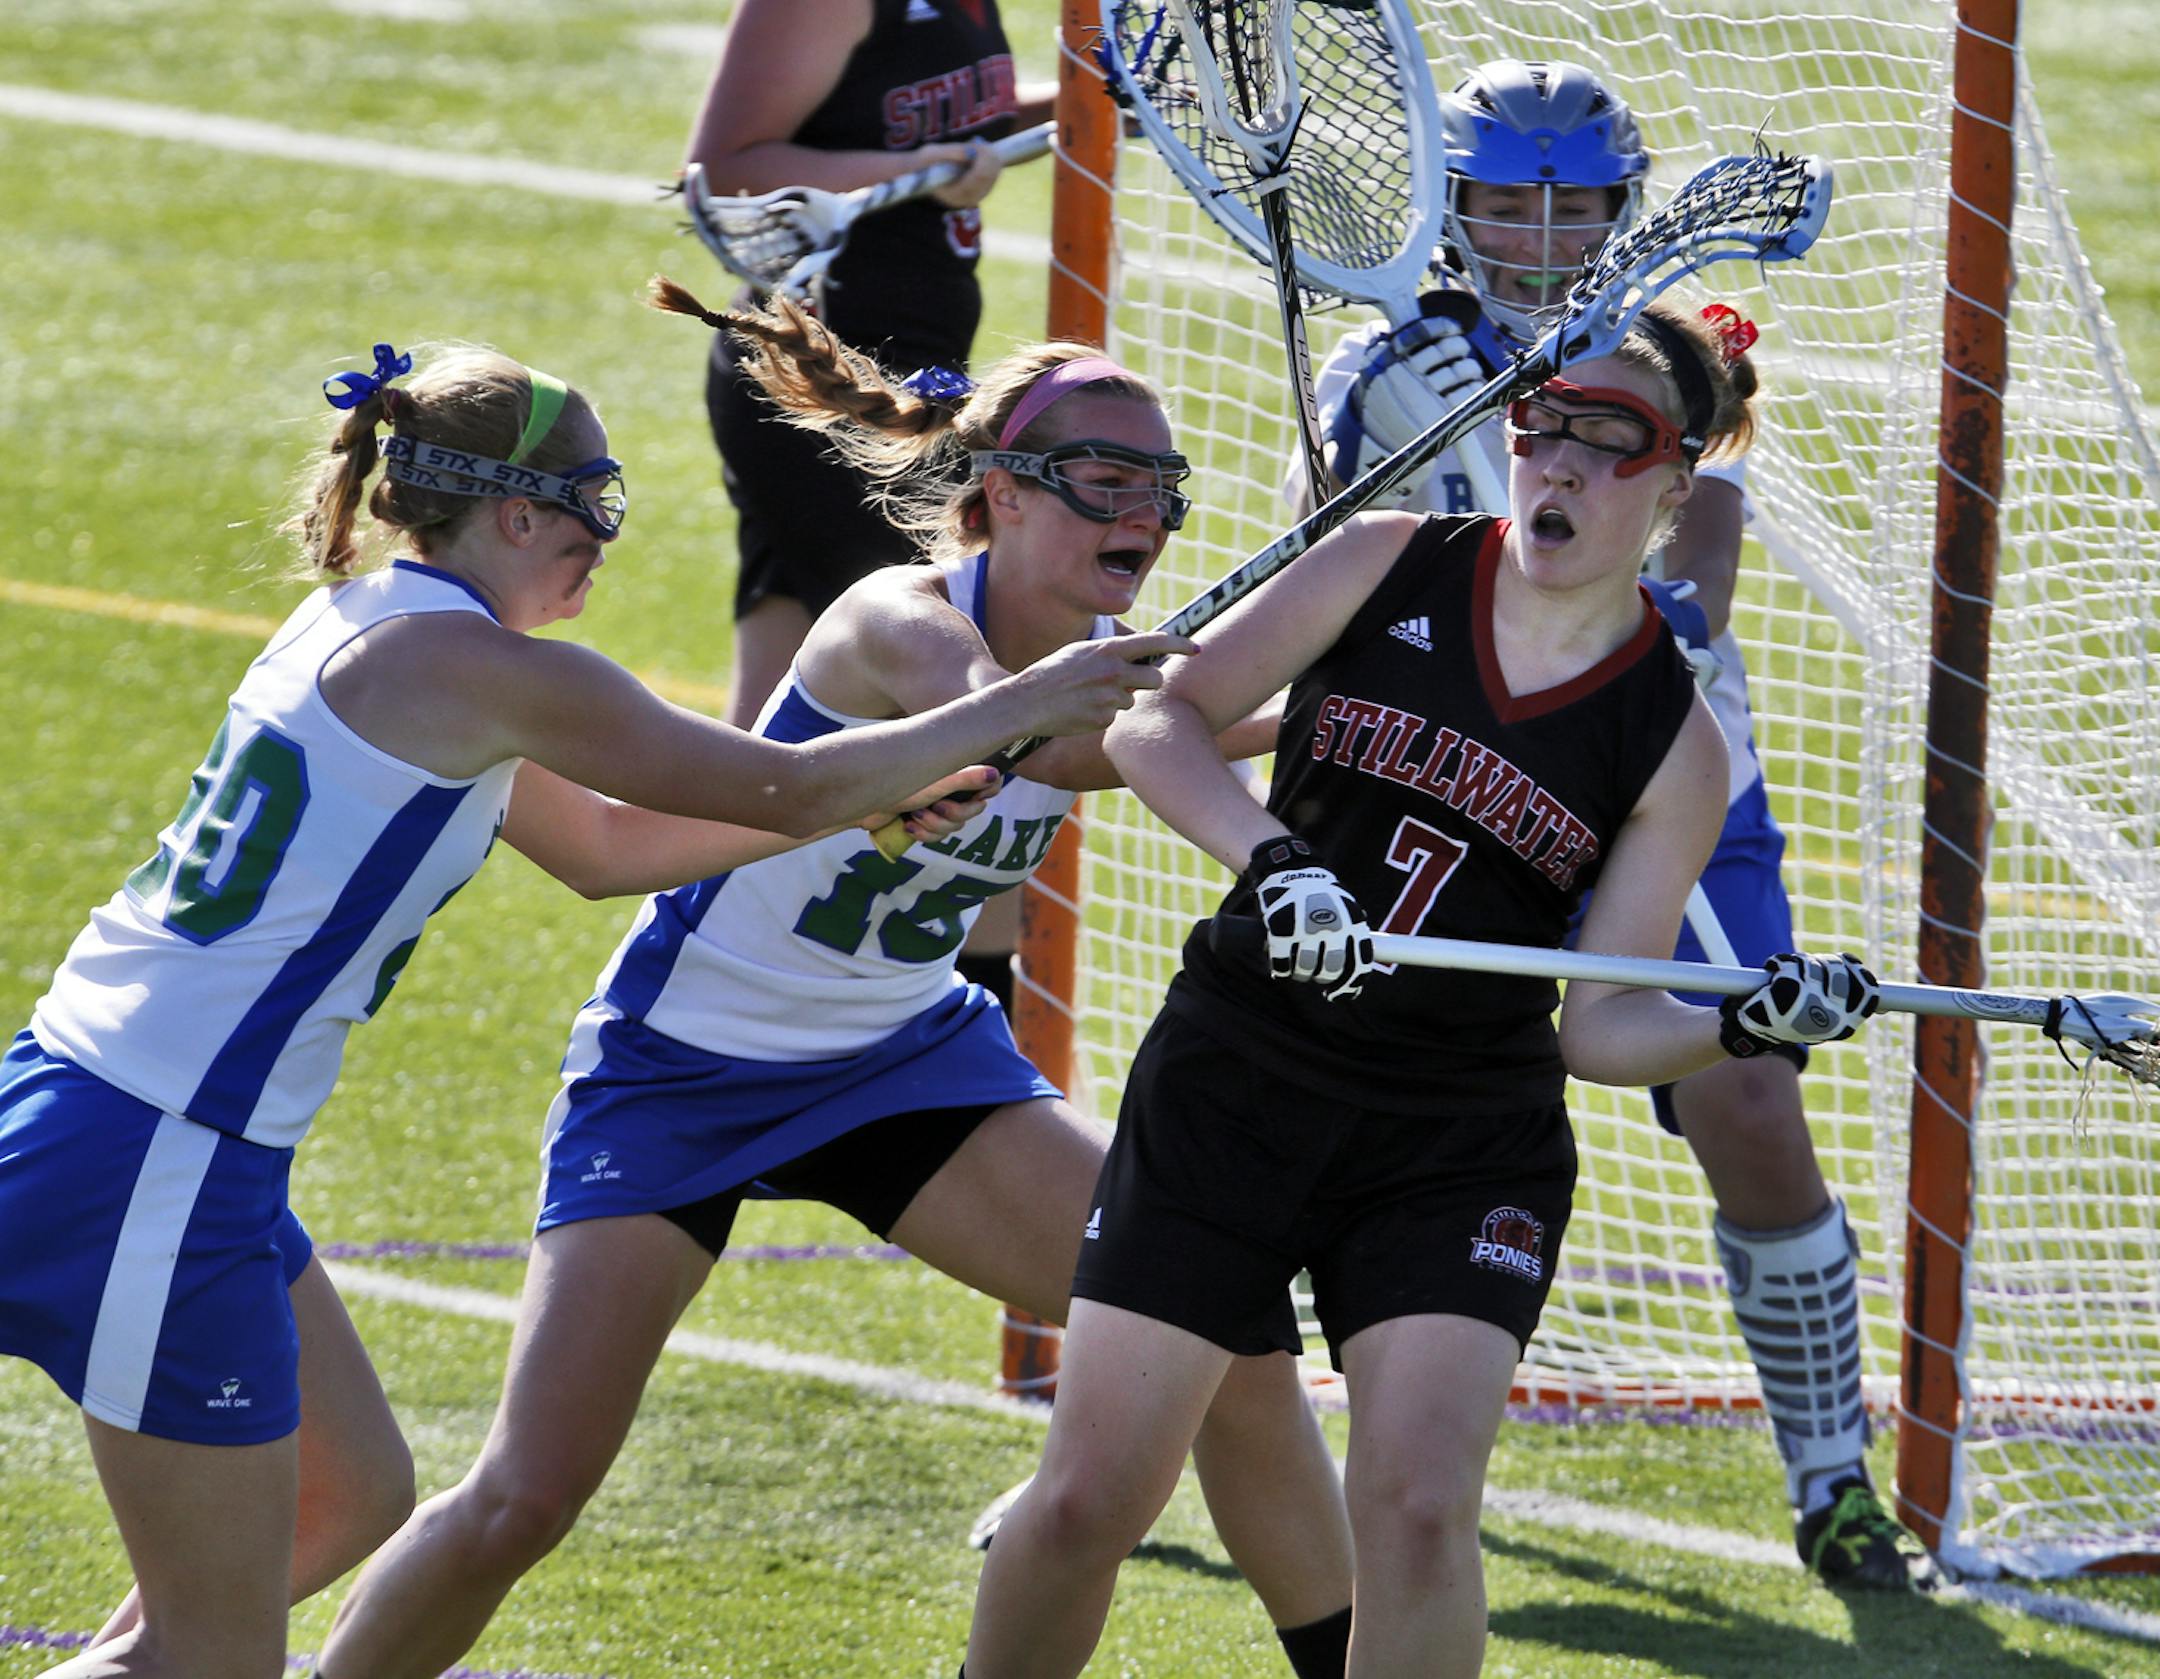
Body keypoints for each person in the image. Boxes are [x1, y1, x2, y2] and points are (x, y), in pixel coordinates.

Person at [0, 338, 1174, 1679]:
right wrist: (1013, 708)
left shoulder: (375, 625)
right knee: (214, 1655)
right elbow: (781, 789)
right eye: (594, 505)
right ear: (514, 511)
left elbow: (606, 844)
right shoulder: (500, 676)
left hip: (110, 1106)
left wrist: (879, 786)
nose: (604, 544)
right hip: (162, 1146)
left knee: (356, 1496)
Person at [305, 291, 1357, 1679]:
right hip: (683, 1069)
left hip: (904, 1061)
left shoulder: (1097, 667)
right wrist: (1312, 704)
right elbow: (1043, 736)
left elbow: (1121, 724)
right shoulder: (899, 620)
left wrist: (1315, 702)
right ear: (998, 495)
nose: (1145, 513)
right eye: (1106, 480)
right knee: (527, 1492)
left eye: (1160, 486)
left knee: (1224, 1324)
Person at [962, 300, 1889, 1678]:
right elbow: (1161, 717)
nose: (1560, 464)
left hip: (1458, 1136)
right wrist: (1275, 860)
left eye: (1608, 441)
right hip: (1243, 1071)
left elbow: (1600, 1026)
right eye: (1542, 426)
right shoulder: (1386, 561)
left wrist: (1740, 1014)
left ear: (1675, 483)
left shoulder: (1675, 745)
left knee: (1417, 1508)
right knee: (1096, 1492)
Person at [1301, 58, 1932, 1592]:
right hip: (1461, 773)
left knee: (1752, 1104)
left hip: (1665, 764)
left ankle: (1834, 1476)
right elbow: (1345, 560)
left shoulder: (1655, 346)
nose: (1542, 230)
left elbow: (1703, 521)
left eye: (1577, 202)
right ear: (1450, 207)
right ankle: (1208, 1422)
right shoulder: (1382, 374)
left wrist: (1646, 613)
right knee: (1330, 1103)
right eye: (1508, 201)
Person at [686, 0, 1058, 1031]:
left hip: (899, 384)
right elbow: (728, 172)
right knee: (989, 725)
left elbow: (928, 125)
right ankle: (978, 1057)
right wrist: (941, 164)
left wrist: (1087, 99)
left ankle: (696, 993)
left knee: (760, 739)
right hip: (835, 398)